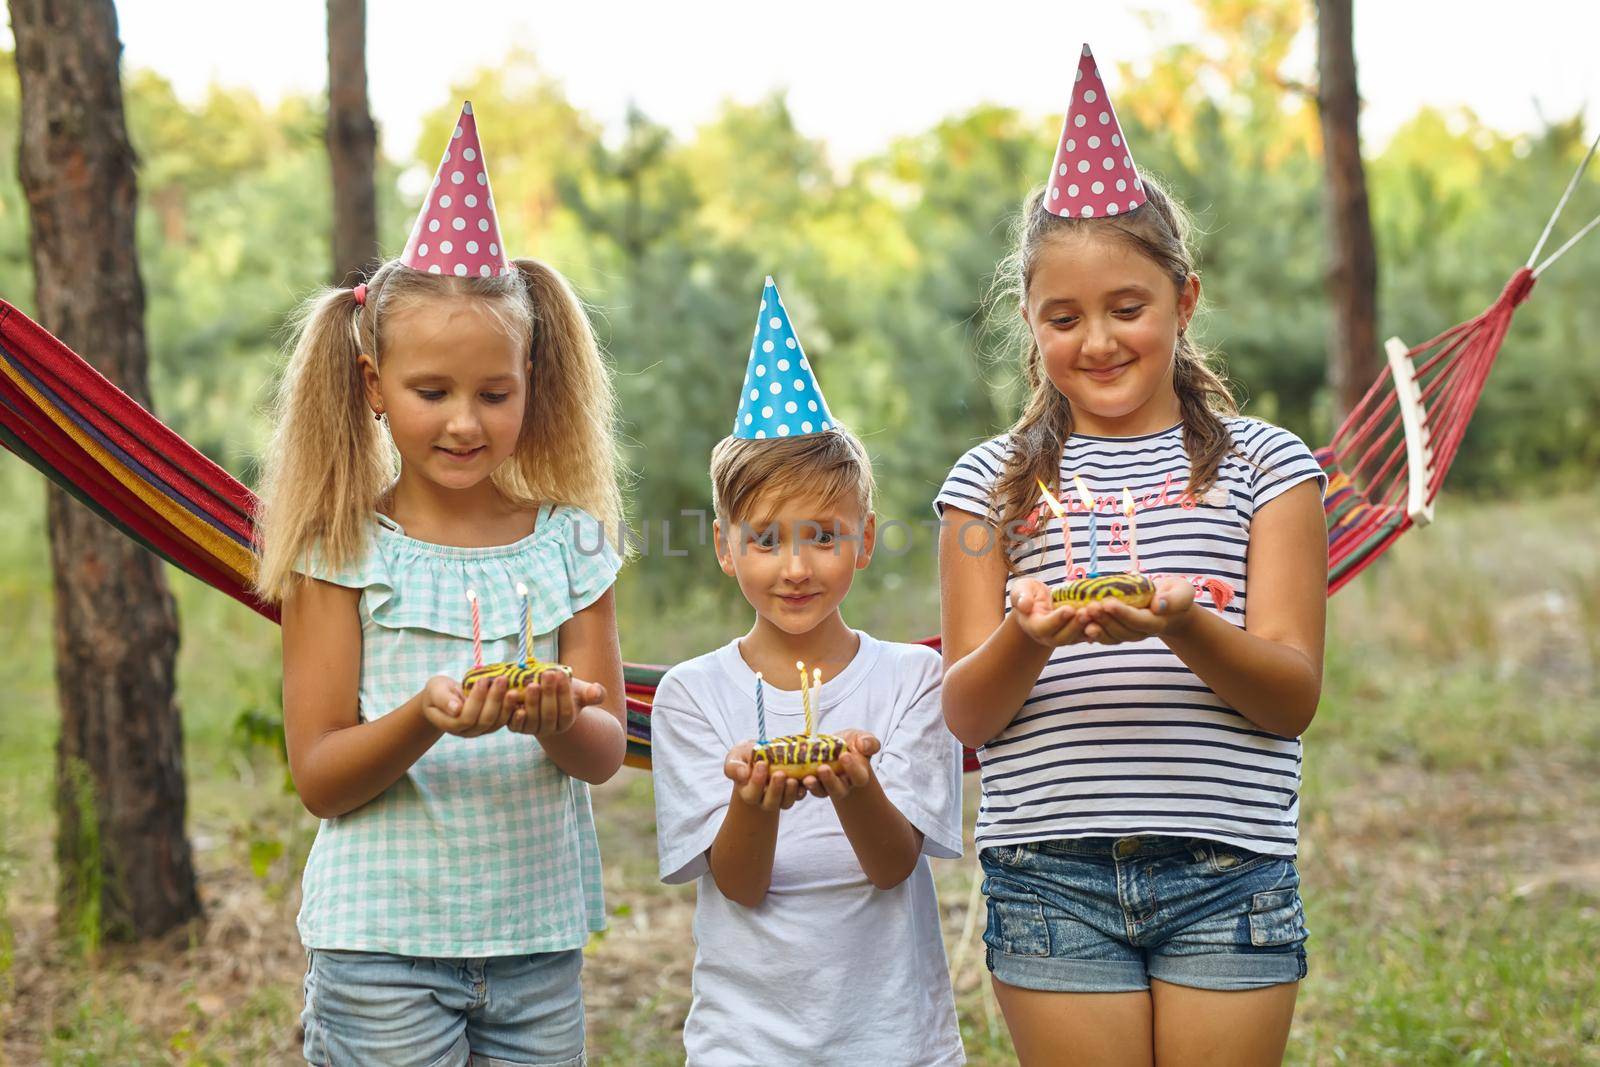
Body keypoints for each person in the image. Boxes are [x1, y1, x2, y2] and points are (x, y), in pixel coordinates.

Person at [936, 46, 1328, 1067]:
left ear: (1183, 300)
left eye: (1127, 307)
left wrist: (1187, 622)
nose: (1098, 340)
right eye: (1063, 317)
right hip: (1048, 875)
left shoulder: (1268, 467)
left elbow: (1289, 696)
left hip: (1228, 870)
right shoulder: (985, 484)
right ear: (1029, 320)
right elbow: (967, 713)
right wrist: (1025, 638)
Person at [254, 103, 626, 1067]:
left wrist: (554, 716)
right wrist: (425, 714)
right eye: (432, 392)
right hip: (379, 951)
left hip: (536, 949)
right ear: (374, 384)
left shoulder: (573, 548)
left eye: (493, 393)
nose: (465, 422)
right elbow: (321, 777)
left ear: (532, 381)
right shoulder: (338, 549)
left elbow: (603, 750)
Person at [650, 277, 966, 1066]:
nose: (794, 566)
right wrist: (753, 801)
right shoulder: (692, 696)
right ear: (725, 548)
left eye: (823, 535)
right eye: (765, 539)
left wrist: (855, 782)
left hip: (894, 1039)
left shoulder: (912, 682)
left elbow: (894, 866)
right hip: (747, 1043)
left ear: (863, 540)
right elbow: (743, 884)